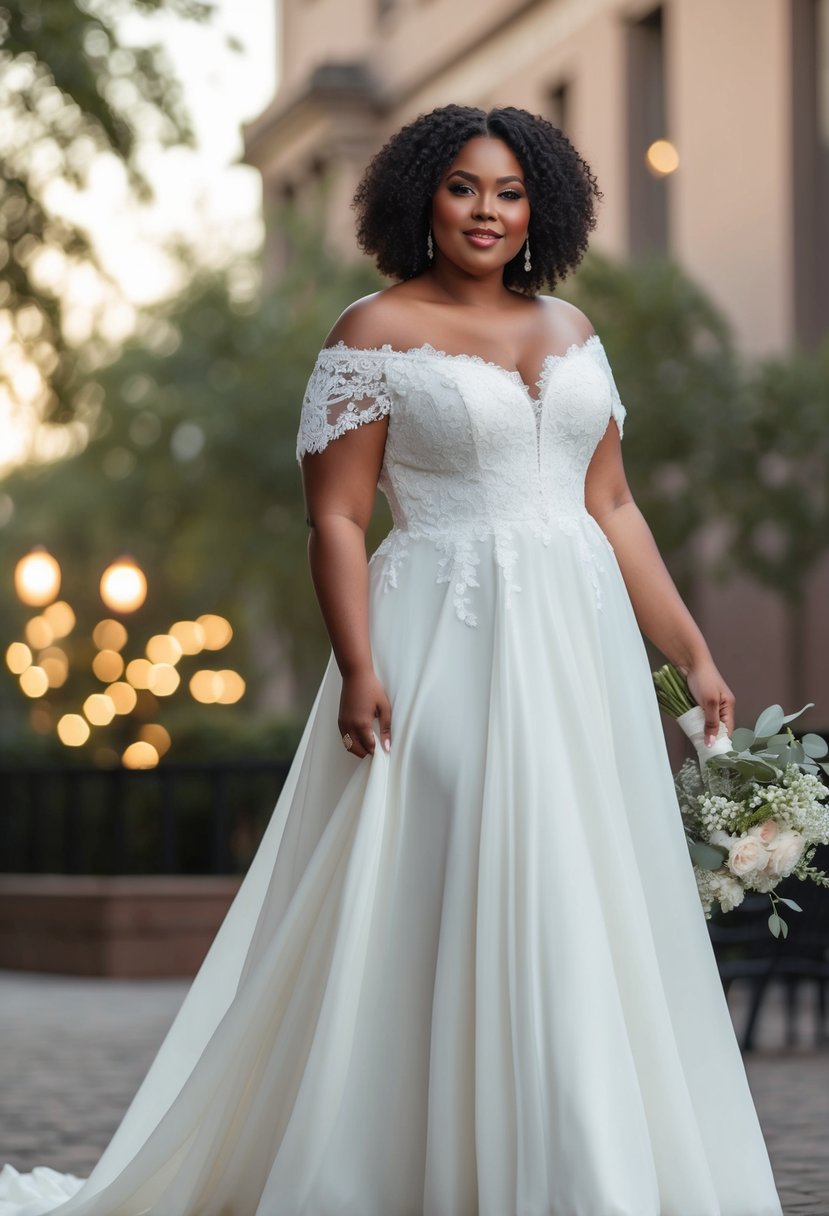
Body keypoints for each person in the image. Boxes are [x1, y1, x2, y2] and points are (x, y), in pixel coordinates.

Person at [0, 104, 783, 1216]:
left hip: (576, 643)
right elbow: (335, 521)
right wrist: (357, 664)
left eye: (509, 192)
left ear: (539, 208)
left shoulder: (570, 332)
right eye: (465, 186)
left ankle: (577, 1167)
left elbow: (611, 505)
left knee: (574, 875)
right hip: (441, 634)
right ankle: (410, 1157)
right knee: (458, 850)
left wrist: (694, 654)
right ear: (422, 195)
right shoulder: (370, 330)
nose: (486, 210)